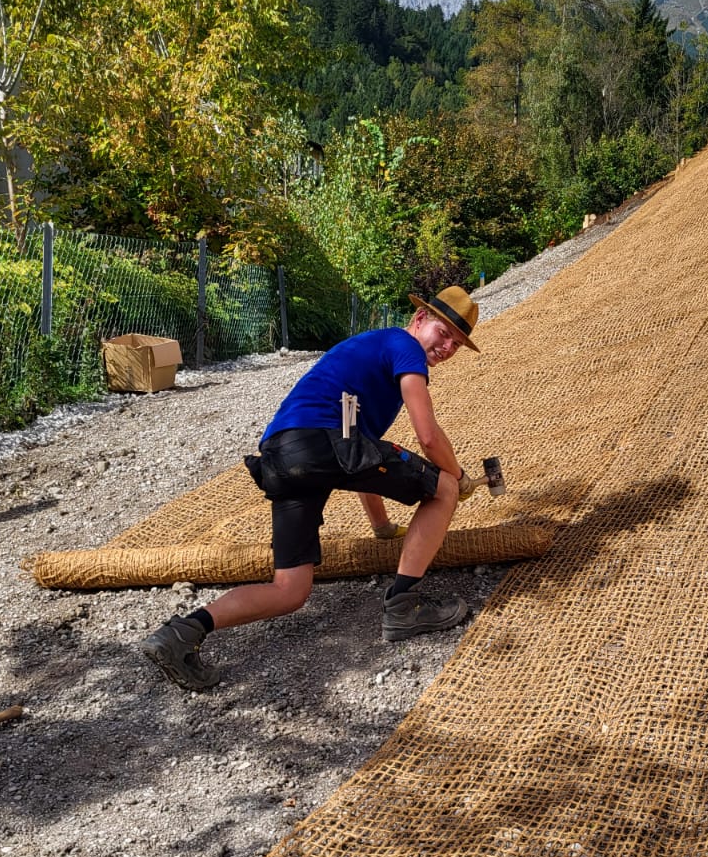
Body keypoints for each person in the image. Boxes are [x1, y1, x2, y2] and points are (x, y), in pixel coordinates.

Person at [139, 285, 482, 692]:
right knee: (441, 486)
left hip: (283, 454)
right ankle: (405, 607)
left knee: (290, 590)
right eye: (443, 333)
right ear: (420, 319)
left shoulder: (370, 350)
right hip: (324, 443)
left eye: (456, 344)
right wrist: (457, 477)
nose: (446, 347)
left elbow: (359, 459)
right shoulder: (402, 345)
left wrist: (383, 529)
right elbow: (427, 436)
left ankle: (182, 632)